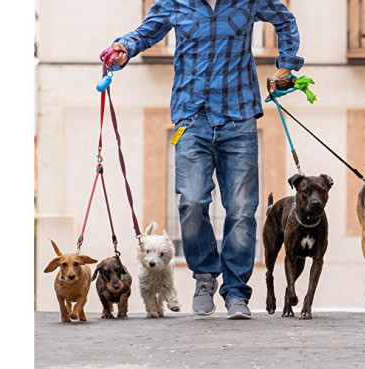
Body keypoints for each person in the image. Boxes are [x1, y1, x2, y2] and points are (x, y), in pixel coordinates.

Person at [106, 0, 302, 319]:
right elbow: (146, 32)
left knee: (241, 209)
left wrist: (287, 64)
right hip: (190, 118)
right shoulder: (175, 3)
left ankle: (236, 291)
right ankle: (205, 276)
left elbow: (285, 20)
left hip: (238, 117)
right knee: (192, 201)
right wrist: (123, 48)